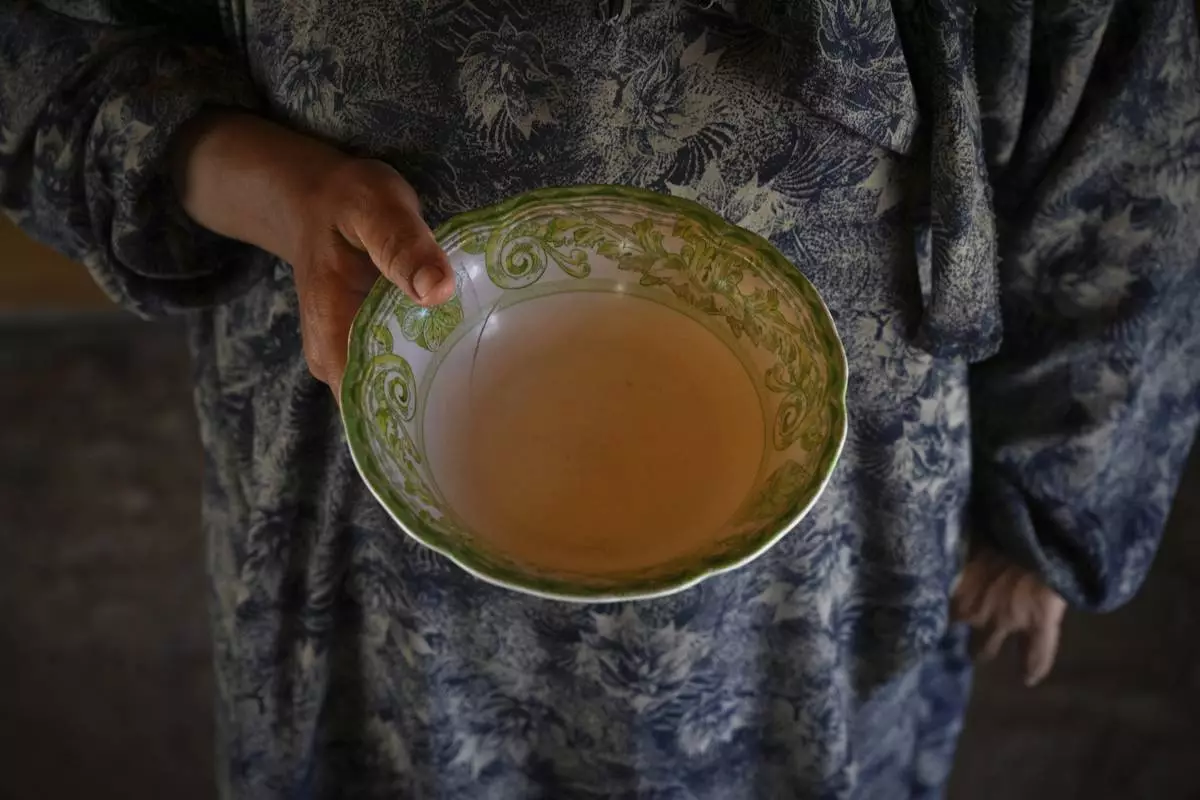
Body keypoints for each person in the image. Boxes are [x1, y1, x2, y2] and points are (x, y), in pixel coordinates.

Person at [2, 0, 1197, 796]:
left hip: (822, 527)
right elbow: (45, 43)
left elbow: (1135, 121)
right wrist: (271, 183)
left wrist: (1063, 487)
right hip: (360, 478)